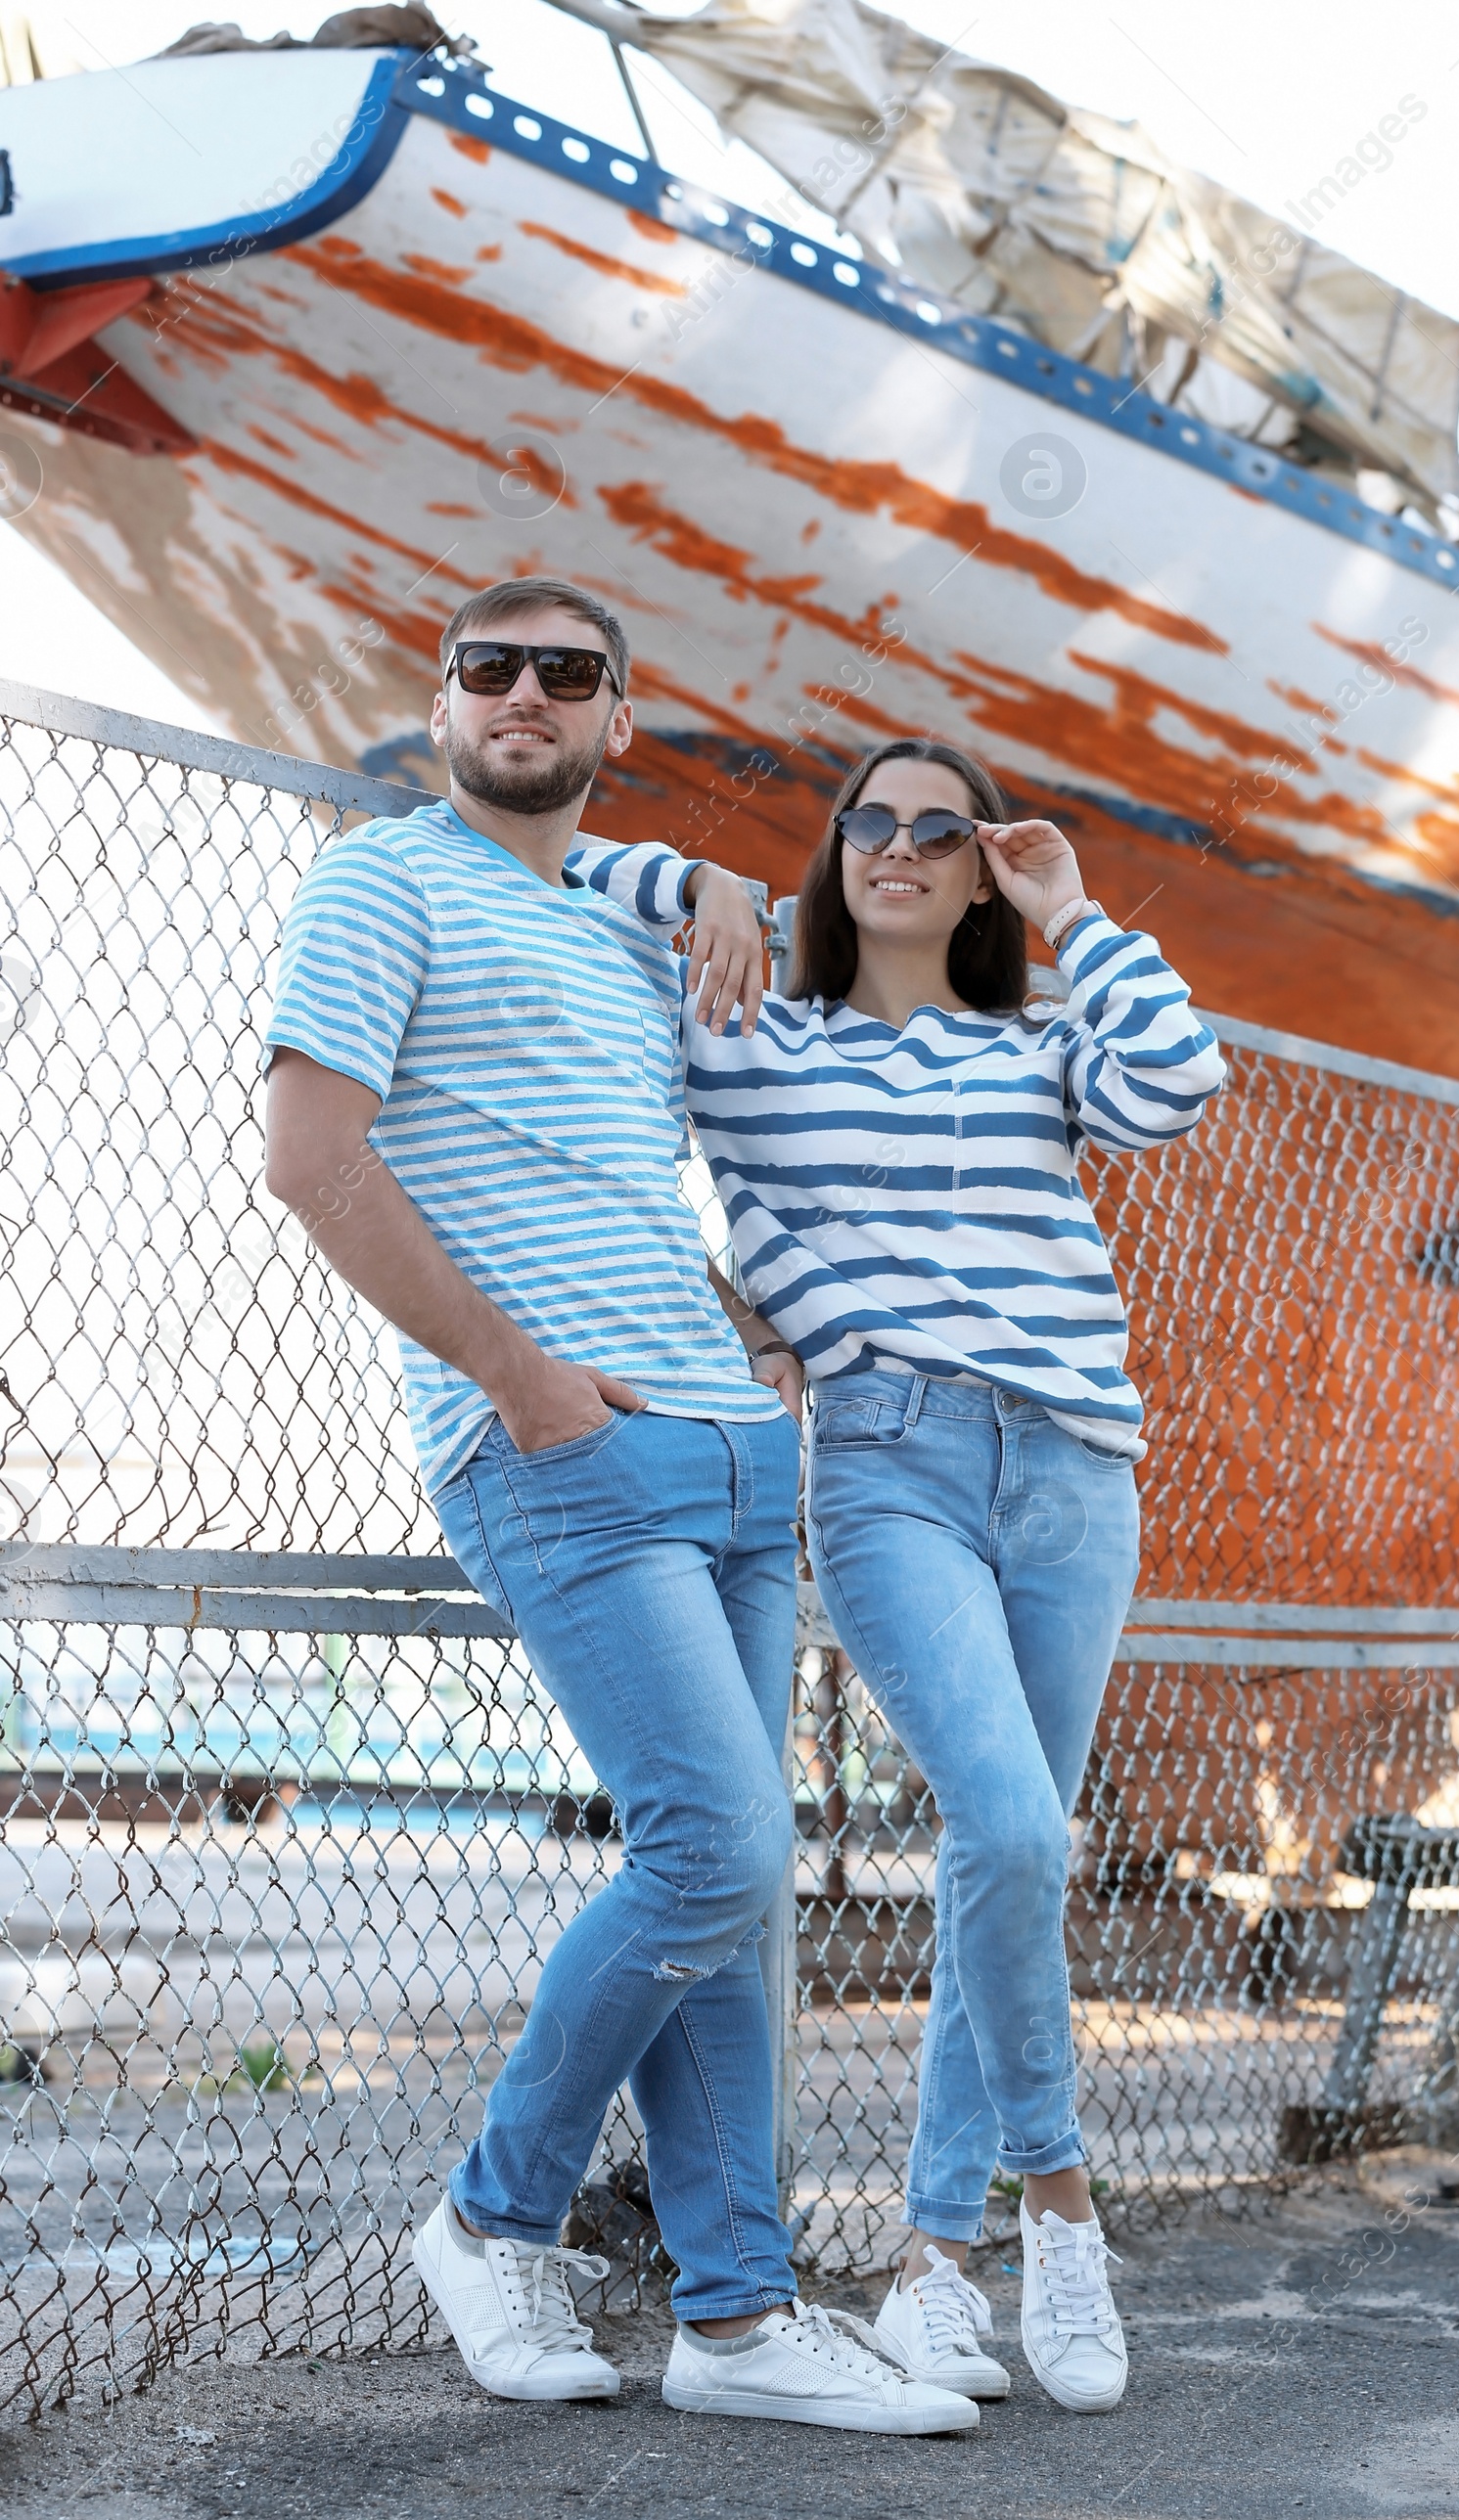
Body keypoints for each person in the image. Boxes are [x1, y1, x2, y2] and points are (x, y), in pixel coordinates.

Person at [263, 584, 977, 2437]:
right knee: (718, 1845)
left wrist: (708, 885)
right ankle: (492, 2216)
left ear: (617, 717)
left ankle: (736, 2322)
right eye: (488, 668)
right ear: (440, 700)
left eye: (564, 675)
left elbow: (657, 1044)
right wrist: (520, 1380)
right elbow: (308, 1157)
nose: (521, 696)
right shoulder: (380, 883)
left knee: (741, 1910)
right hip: (561, 1446)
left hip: (737, 1448)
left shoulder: (628, 919)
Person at [574, 734, 1225, 2414]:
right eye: (877, 822)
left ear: (976, 870)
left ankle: (936, 2264)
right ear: (838, 849)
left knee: (996, 1867)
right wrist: (699, 880)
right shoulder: (749, 1039)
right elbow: (555, 866)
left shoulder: (1037, 1048)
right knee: (1014, 1827)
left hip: (1077, 1466)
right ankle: (1064, 2207)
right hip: (887, 1461)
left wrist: (1076, 910)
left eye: (947, 833)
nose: (908, 850)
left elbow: (1178, 1081)